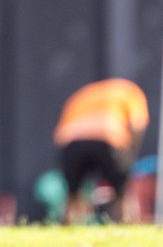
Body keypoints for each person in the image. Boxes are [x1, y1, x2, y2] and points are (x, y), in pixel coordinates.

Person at [53, 77, 150, 224]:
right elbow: (137, 124)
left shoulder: (83, 94)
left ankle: (67, 227)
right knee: (122, 192)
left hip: (72, 143)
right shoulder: (130, 91)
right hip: (108, 138)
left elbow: (59, 135)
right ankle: (128, 225)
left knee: (72, 193)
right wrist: (129, 155)